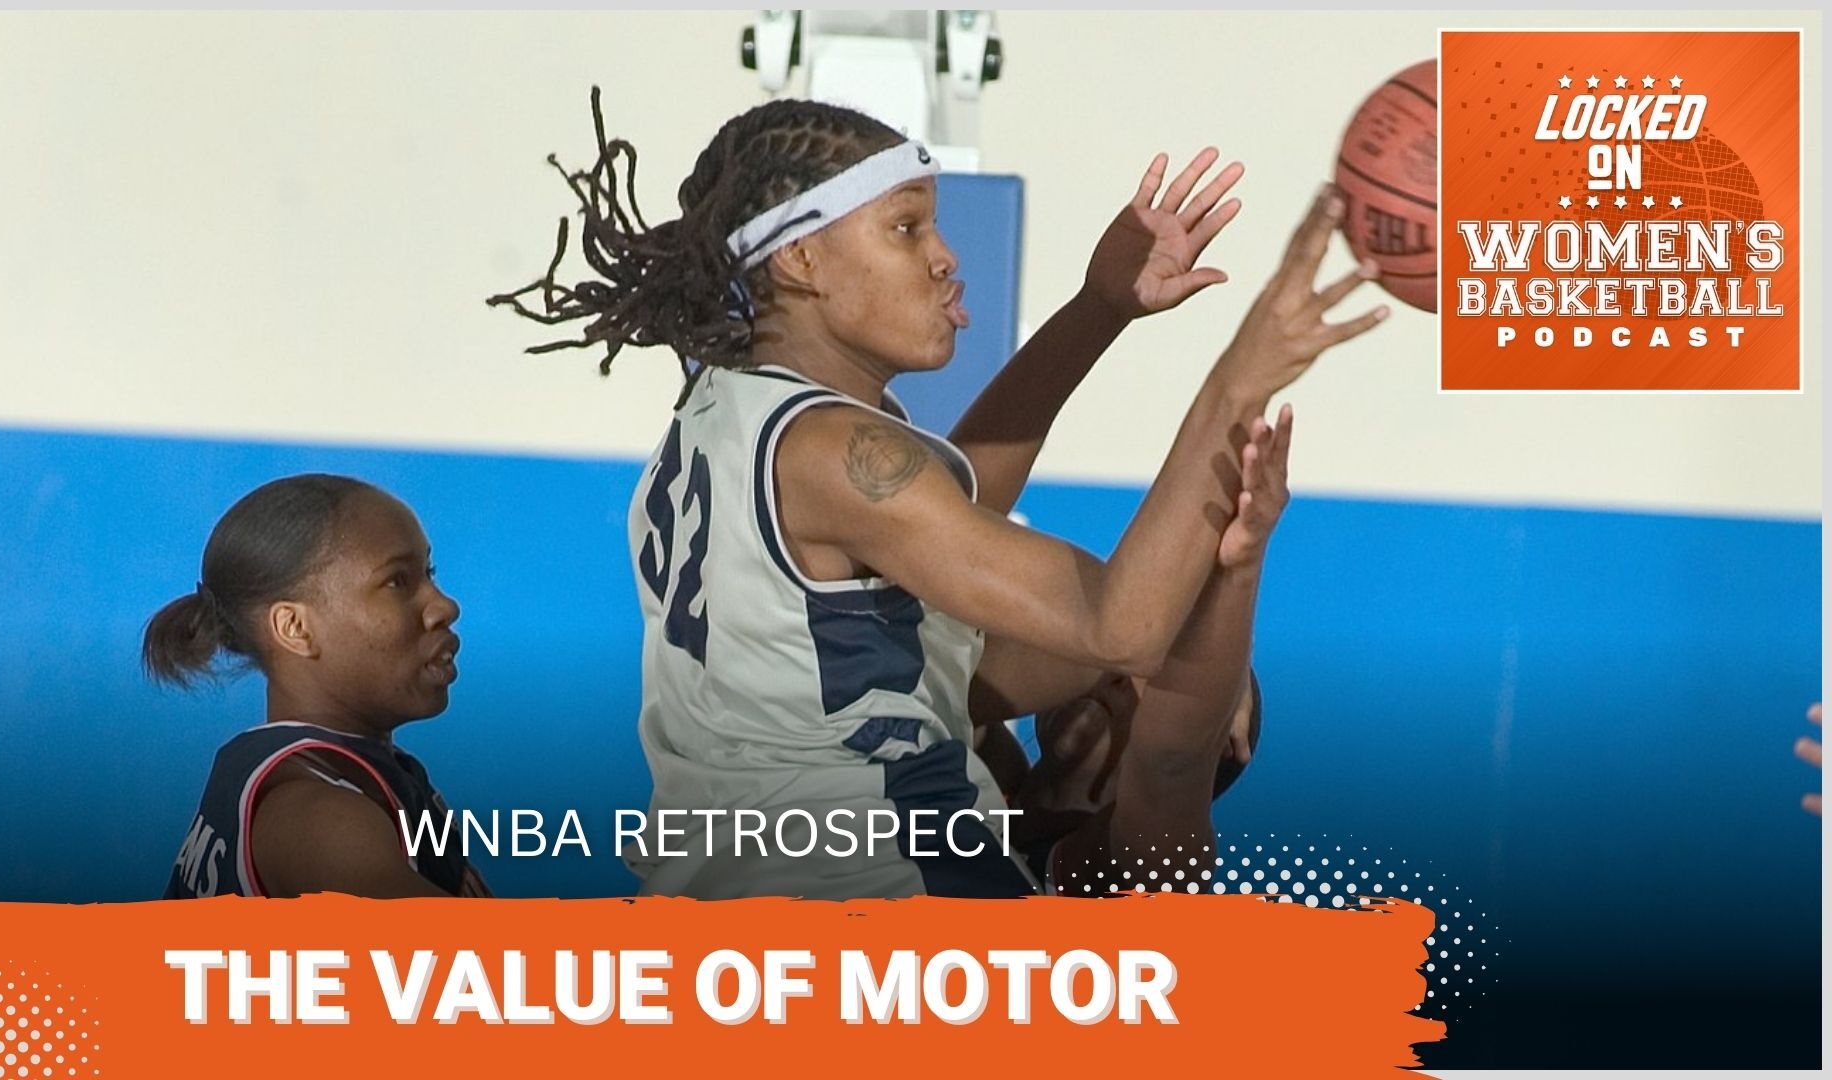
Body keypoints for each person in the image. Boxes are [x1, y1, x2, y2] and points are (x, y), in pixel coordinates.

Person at [492, 93, 1384, 898]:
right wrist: (1240, 382)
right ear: (803, 257)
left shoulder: (719, 424)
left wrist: (1097, 308)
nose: (945, 257)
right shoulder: (836, 450)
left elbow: (955, 504)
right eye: (906, 228)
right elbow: (1121, 622)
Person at [148, 474, 489, 899]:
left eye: (429, 573)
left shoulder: (317, 774)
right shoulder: (324, 823)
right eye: (397, 582)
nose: (444, 606)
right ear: (295, 628)